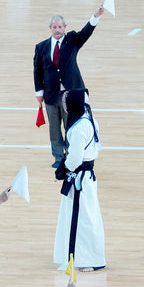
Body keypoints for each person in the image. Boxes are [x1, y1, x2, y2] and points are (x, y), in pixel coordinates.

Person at [33, 5, 104, 168]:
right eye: (54, 27)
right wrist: (39, 91)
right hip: (51, 94)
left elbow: (87, 32)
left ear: (65, 27)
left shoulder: (72, 40)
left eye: (60, 27)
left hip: (70, 95)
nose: (57, 29)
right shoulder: (41, 47)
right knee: (54, 129)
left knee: (70, 126)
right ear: (50, 28)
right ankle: (58, 156)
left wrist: (96, 16)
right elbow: (37, 71)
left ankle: (71, 156)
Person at [54, 89, 105, 272]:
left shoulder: (78, 128)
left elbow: (75, 159)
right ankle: (84, 257)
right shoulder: (90, 119)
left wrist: (64, 167)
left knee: (81, 218)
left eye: (66, 102)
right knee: (88, 216)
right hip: (87, 177)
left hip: (80, 179)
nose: (64, 106)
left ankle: (86, 259)